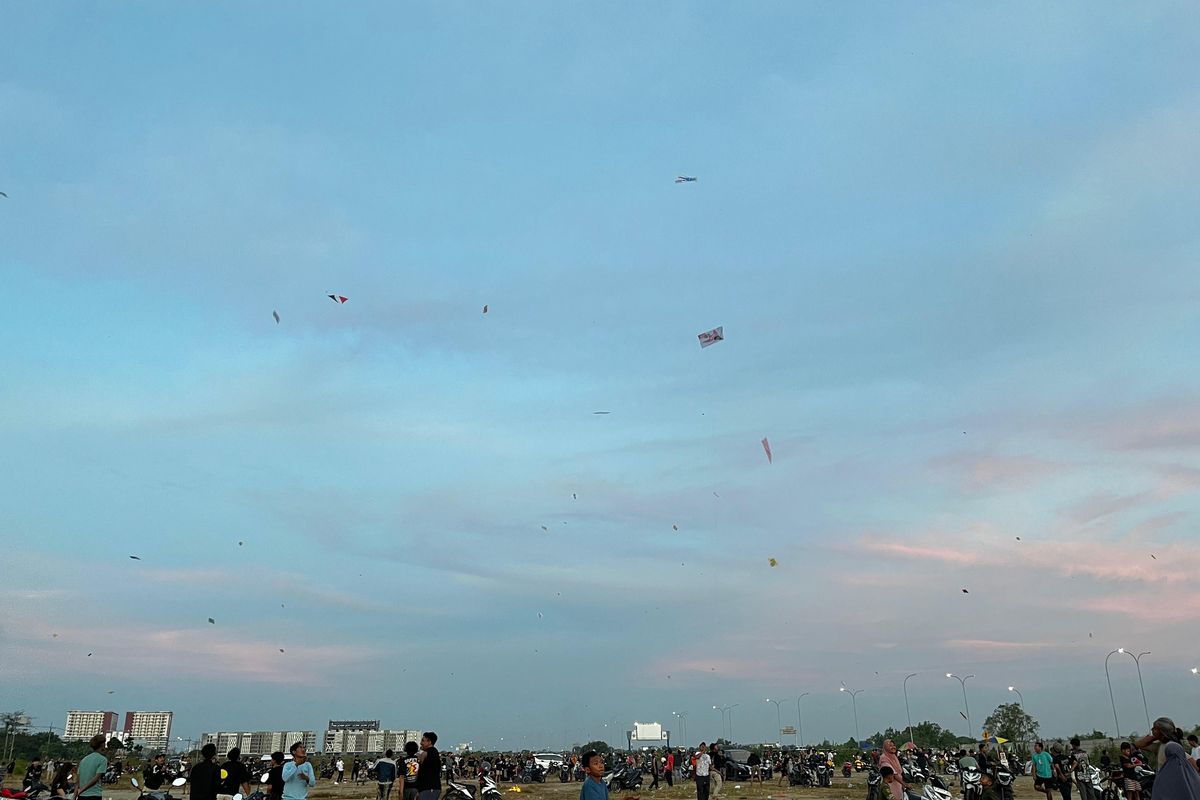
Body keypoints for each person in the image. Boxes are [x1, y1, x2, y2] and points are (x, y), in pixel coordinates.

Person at [77, 736, 108, 800]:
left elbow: (78, 780)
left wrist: (75, 795)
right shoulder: (103, 759)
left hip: (81, 796)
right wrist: (82, 789)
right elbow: (96, 779)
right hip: (94, 794)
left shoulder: (84, 759)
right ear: (102, 745)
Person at [415, 732, 441, 800]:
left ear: (429, 742)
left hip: (430, 788)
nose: (421, 743)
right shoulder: (428, 751)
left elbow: (422, 756)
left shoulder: (432, 751)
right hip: (424, 788)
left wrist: (419, 754)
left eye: (423, 740)